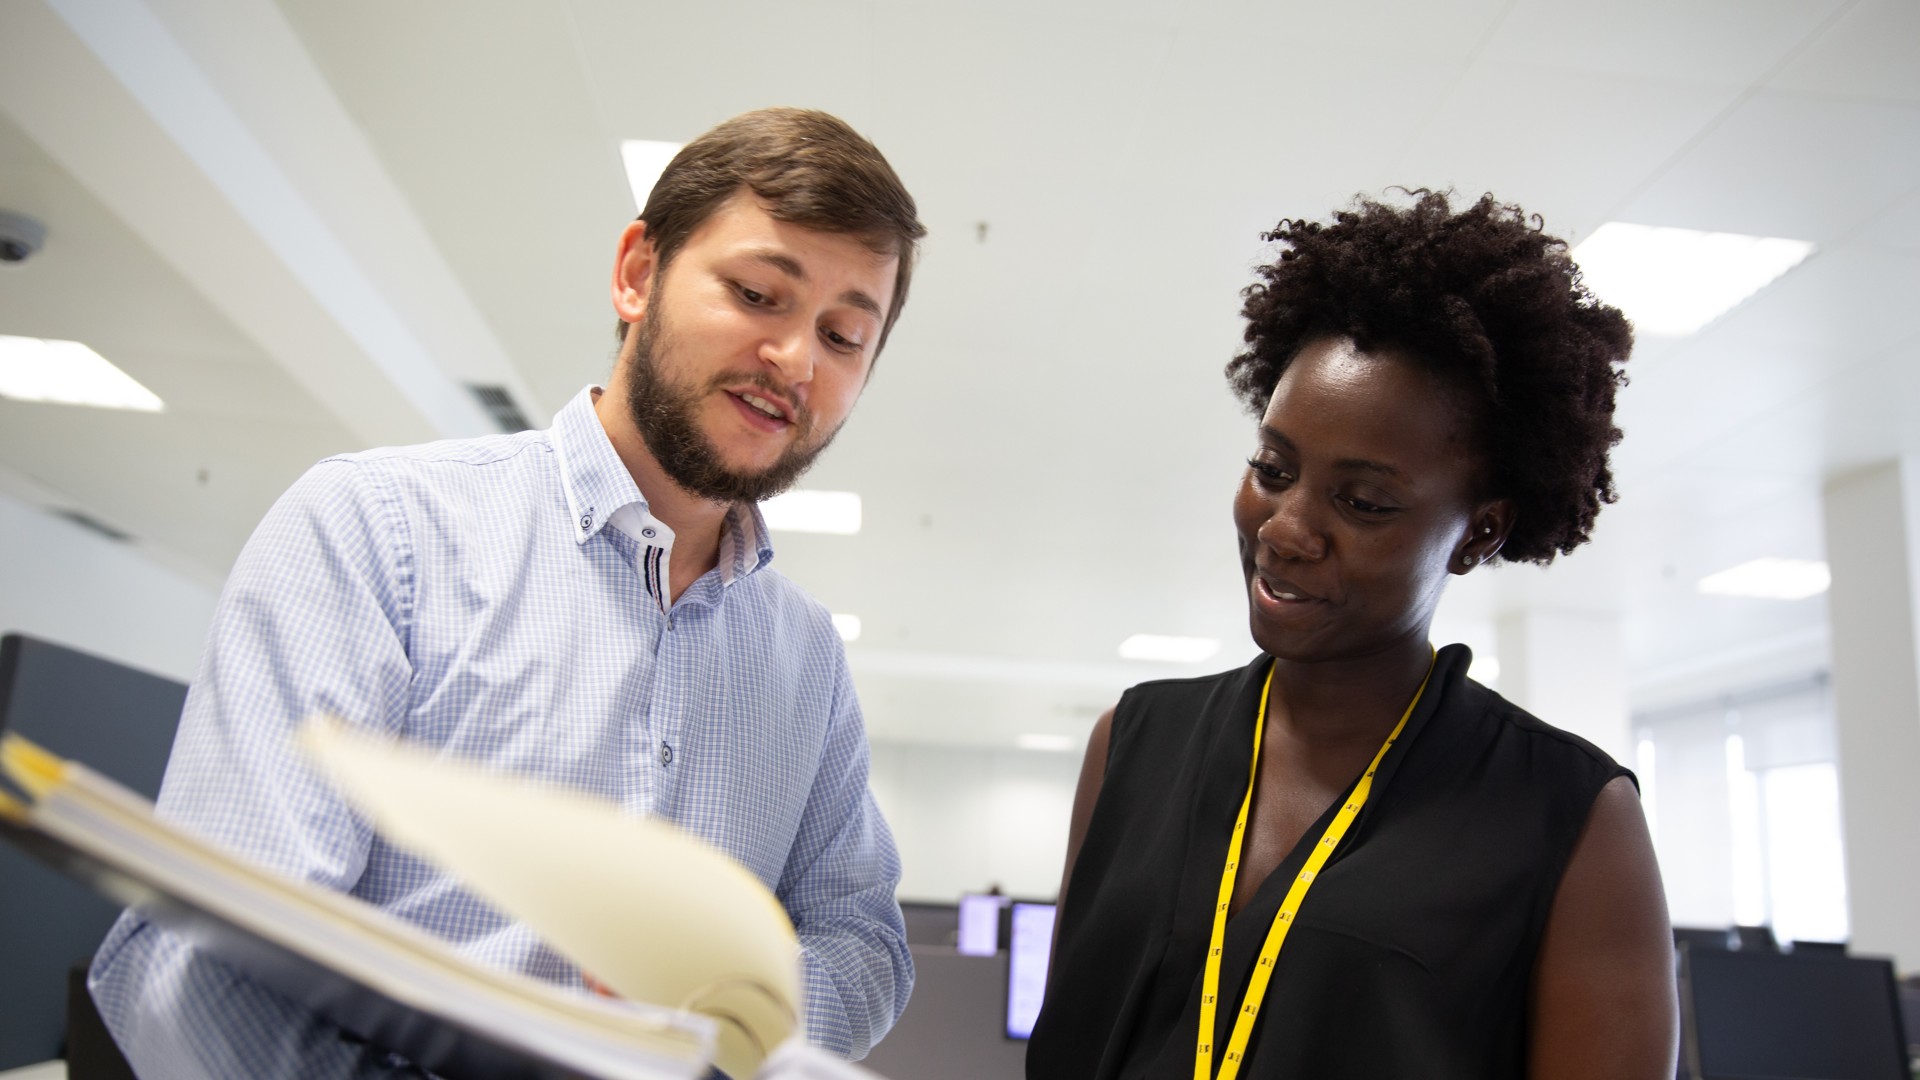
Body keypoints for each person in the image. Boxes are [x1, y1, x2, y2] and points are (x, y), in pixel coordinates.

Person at [88, 107, 926, 1074]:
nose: (796, 360)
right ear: (638, 274)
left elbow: (863, 944)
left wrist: (724, 1016)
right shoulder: (377, 531)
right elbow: (195, 960)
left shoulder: (806, 657)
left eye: (844, 334)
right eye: (756, 294)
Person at [1028, 191, 1677, 1079]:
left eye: (1363, 502)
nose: (1285, 527)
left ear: (1479, 531)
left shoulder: (1570, 818)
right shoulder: (1133, 744)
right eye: (1273, 468)